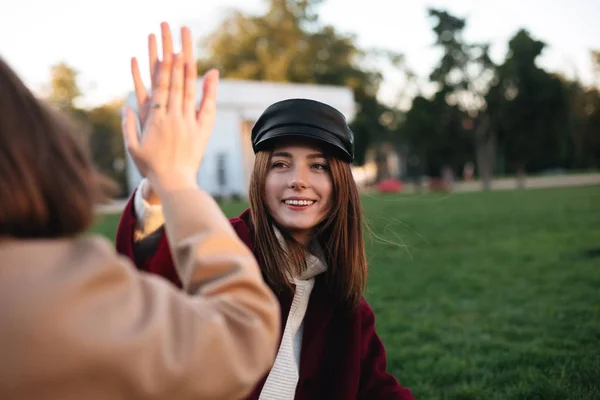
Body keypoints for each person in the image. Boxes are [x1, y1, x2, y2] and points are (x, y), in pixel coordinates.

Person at [116, 24, 415, 400]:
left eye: (318, 166)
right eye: (281, 164)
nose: (298, 181)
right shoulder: (222, 247)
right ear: (260, 177)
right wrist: (162, 182)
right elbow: (151, 271)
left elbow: (375, 389)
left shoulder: (347, 305)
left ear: (341, 183)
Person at [0, 23, 281, 400]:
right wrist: (175, 179)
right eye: (280, 164)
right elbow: (242, 334)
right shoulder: (42, 296)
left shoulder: (346, 296)